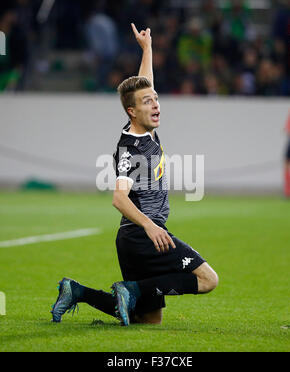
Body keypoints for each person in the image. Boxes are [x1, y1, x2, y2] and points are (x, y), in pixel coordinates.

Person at [50, 23, 218, 326]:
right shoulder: (131, 149)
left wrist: (147, 49)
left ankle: (78, 292)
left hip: (131, 240)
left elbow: (144, 86)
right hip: (142, 238)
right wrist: (151, 227)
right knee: (207, 279)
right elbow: (119, 198)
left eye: (155, 99)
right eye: (147, 102)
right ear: (132, 112)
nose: (155, 105)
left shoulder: (143, 125)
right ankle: (130, 289)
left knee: (148, 318)